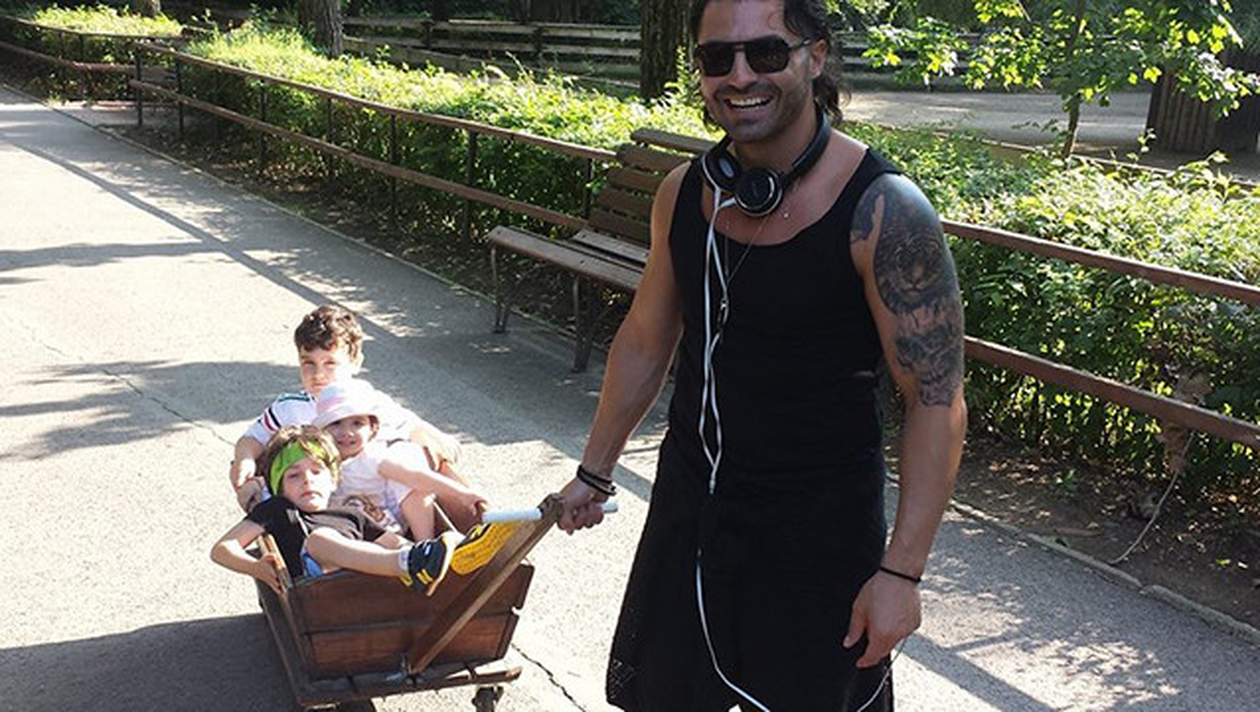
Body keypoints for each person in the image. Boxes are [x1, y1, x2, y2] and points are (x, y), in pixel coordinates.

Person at [558, 1, 967, 710]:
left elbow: (936, 398)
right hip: (691, 519)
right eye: (718, 58)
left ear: (816, 56)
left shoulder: (884, 210)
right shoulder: (684, 193)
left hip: (819, 547)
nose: (740, 75)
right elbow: (647, 339)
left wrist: (901, 574)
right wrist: (594, 472)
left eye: (767, 53)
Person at [228, 304, 465, 515]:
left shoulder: (371, 403)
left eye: (330, 363)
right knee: (262, 488)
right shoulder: (291, 407)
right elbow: (253, 438)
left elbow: (416, 430)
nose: (318, 374)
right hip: (313, 504)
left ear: (355, 362)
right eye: (308, 363)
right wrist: (245, 459)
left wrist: (440, 444)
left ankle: (446, 530)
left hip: (375, 505)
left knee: (410, 456)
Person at [211, 425, 462, 596]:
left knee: (406, 547)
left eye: (316, 472)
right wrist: (255, 567)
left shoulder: (351, 514)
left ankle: (449, 555)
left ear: (333, 480)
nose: (307, 480)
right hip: (319, 590)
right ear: (279, 487)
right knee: (319, 540)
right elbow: (222, 549)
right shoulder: (278, 508)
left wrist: (421, 550)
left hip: (372, 585)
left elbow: (394, 542)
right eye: (294, 476)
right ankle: (409, 564)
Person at [312, 378, 488, 540]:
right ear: (321, 431)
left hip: (385, 533)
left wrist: (461, 493)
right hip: (344, 533)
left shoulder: (371, 458)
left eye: (357, 423)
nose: (346, 432)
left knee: (411, 473)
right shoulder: (319, 460)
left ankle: (425, 545)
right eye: (336, 423)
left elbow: (416, 477)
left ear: (373, 429)